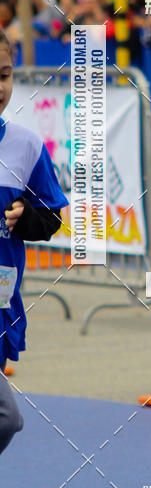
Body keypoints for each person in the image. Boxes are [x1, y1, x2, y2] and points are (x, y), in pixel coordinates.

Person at [0, 28, 68, 455]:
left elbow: (51, 216)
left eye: (4, 74)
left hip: (2, 300)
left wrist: (27, 218)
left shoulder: (25, 145)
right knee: (7, 416)